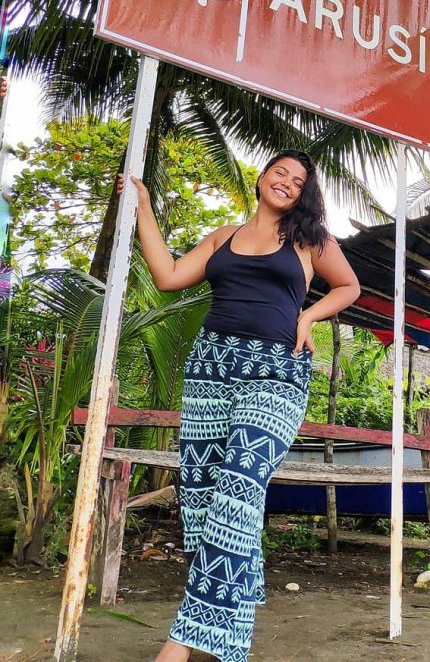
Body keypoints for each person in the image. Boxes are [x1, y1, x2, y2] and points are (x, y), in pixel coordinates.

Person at [119, 150, 360, 662]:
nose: (287, 184)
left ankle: (180, 642)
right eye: (280, 173)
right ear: (261, 178)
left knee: (239, 493)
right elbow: (166, 275)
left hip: (276, 373)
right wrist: (143, 206)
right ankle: (231, 633)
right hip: (211, 368)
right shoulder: (221, 236)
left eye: (298, 181)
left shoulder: (309, 241)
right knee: (208, 502)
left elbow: (348, 286)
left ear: (303, 194)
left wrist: (308, 317)